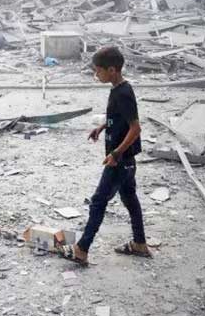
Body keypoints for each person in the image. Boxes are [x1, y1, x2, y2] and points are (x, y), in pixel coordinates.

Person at [57, 46, 151, 265]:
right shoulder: (118, 89)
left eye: (98, 71)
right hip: (126, 162)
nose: (95, 75)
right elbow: (120, 119)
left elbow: (135, 128)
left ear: (112, 70)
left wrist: (116, 153)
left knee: (98, 201)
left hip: (120, 160)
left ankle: (81, 249)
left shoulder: (124, 92)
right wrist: (102, 128)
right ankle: (139, 244)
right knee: (130, 200)